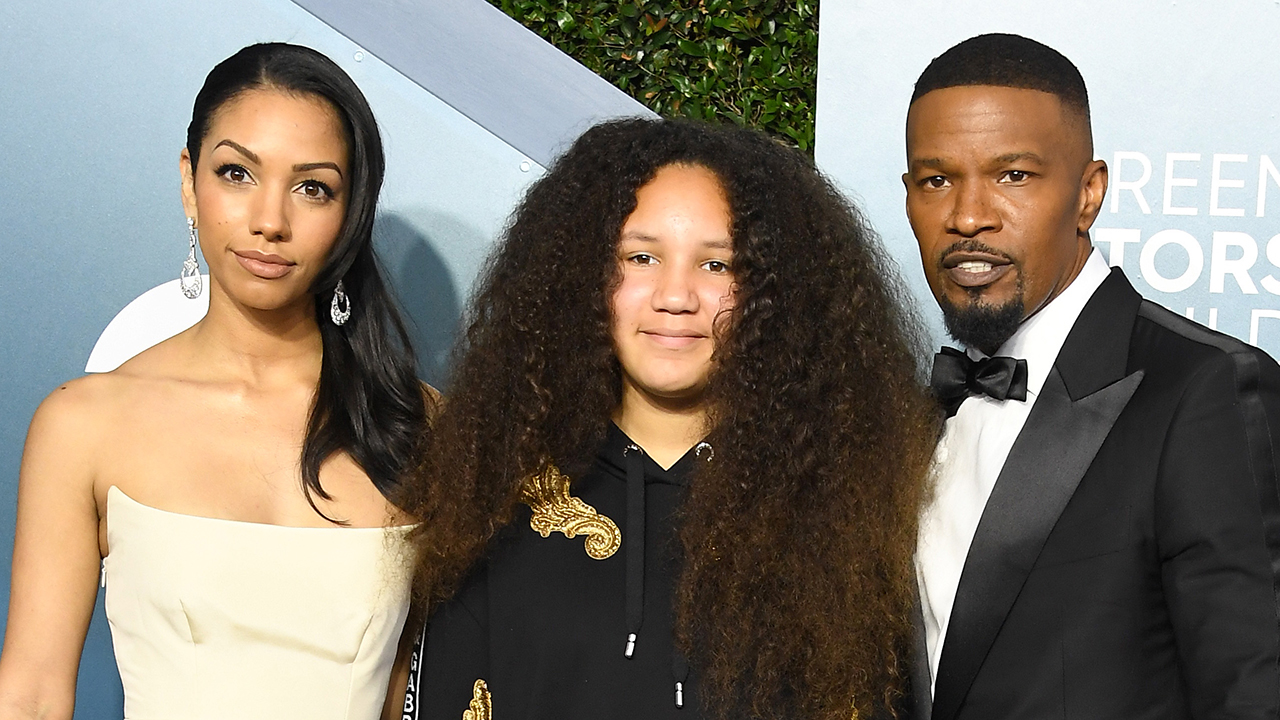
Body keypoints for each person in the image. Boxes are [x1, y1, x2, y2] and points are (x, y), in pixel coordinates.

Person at [398, 118, 938, 720]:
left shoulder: (853, 513)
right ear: (579, 274)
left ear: (777, 292)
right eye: (641, 256)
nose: (674, 295)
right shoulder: (490, 502)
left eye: (717, 265)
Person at [0, 43, 430, 720]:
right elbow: (30, 697)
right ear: (188, 182)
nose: (269, 221)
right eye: (236, 173)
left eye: (312, 187)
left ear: (351, 212)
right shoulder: (83, 424)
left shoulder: (419, 426)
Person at [904, 33, 1280, 720]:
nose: (967, 216)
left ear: (1088, 193)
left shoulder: (1207, 390)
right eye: (936, 180)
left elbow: (1254, 694)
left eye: (1012, 175)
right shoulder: (912, 408)